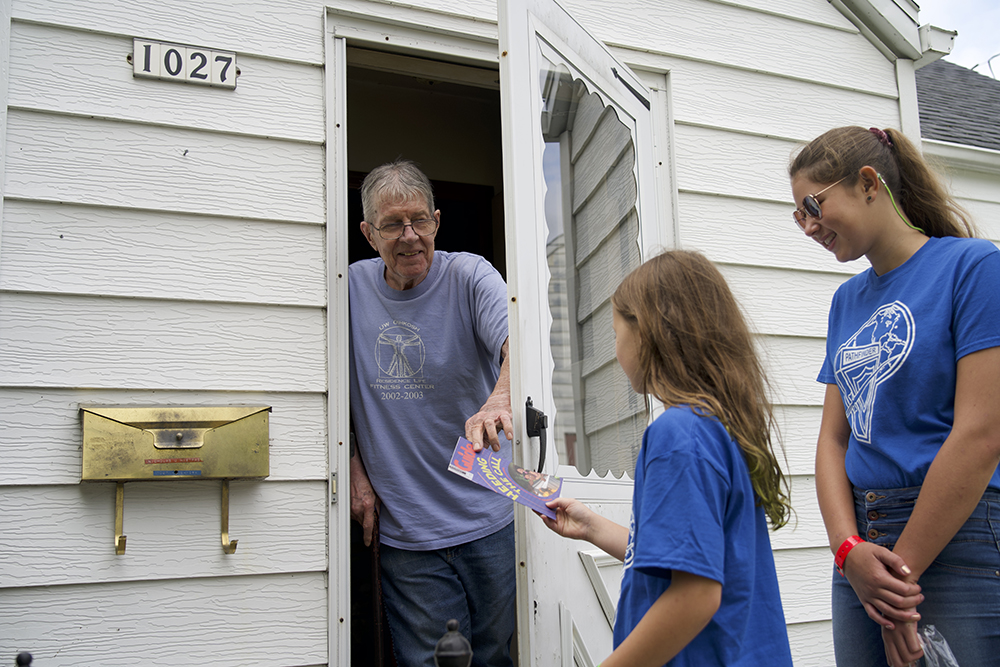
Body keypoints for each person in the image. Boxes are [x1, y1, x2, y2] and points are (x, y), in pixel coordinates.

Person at [790, 126, 1000, 667]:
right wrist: (848, 552)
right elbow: (834, 441)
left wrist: (896, 582)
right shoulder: (846, 301)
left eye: (814, 204)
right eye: (799, 216)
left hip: (954, 541)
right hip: (861, 551)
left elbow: (981, 436)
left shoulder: (974, 268)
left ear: (868, 183)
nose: (809, 225)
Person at [541, 250, 794, 667]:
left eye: (616, 330)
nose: (615, 346)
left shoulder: (678, 435)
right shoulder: (720, 425)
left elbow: (695, 594)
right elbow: (693, 560)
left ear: (647, 332)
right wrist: (592, 527)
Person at [348, 159, 515, 667]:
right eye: (393, 224)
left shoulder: (471, 276)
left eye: (420, 220)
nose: (410, 236)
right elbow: (323, 393)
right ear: (367, 233)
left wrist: (501, 395)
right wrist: (354, 470)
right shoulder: (347, 289)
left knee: (492, 659)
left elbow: (521, 341)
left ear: (438, 221)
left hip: (491, 515)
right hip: (408, 529)